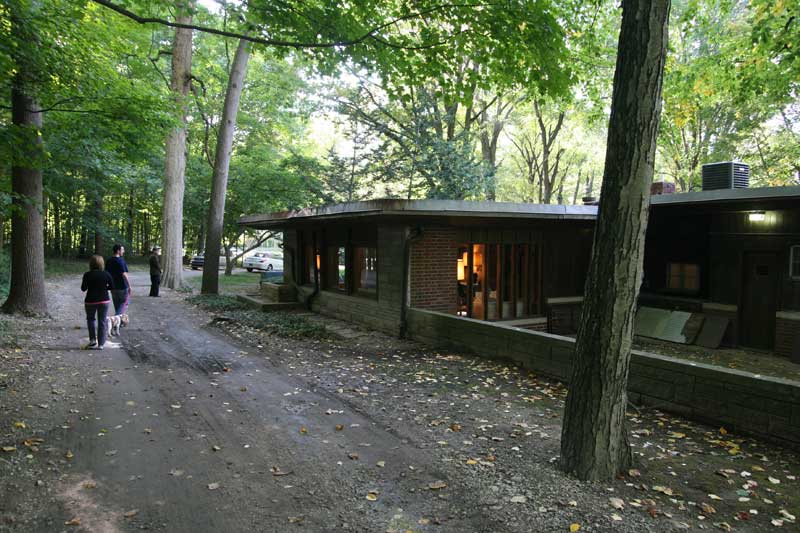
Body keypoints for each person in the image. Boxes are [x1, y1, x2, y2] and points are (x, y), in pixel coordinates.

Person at [81, 255, 114, 349]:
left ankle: (92, 340)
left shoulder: (87, 274)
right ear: (102, 263)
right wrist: (104, 288)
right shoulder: (106, 274)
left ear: (91, 264)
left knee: (91, 320)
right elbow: (112, 286)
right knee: (102, 321)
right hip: (104, 300)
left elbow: (83, 289)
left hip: (90, 301)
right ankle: (101, 344)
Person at [105, 243, 131, 316]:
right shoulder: (120, 261)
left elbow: (107, 274)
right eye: (122, 250)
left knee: (117, 304)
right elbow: (124, 274)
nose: (123, 251)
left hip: (113, 287)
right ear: (118, 251)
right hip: (122, 286)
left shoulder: (109, 261)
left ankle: (119, 322)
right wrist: (129, 286)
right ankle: (116, 318)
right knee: (125, 303)